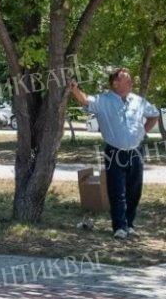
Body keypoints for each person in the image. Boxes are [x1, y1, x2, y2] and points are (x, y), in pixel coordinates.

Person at [68, 68, 160, 239]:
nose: (131, 83)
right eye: (127, 80)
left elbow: (154, 115)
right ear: (115, 83)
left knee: (135, 190)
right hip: (114, 151)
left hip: (136, 151)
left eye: (130, 80)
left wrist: (142, 132)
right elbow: (85, 100)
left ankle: (129, 224)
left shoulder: (138, 101)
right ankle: (119, 227)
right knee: (117, 190)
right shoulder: (103, 100)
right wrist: (74, 89)